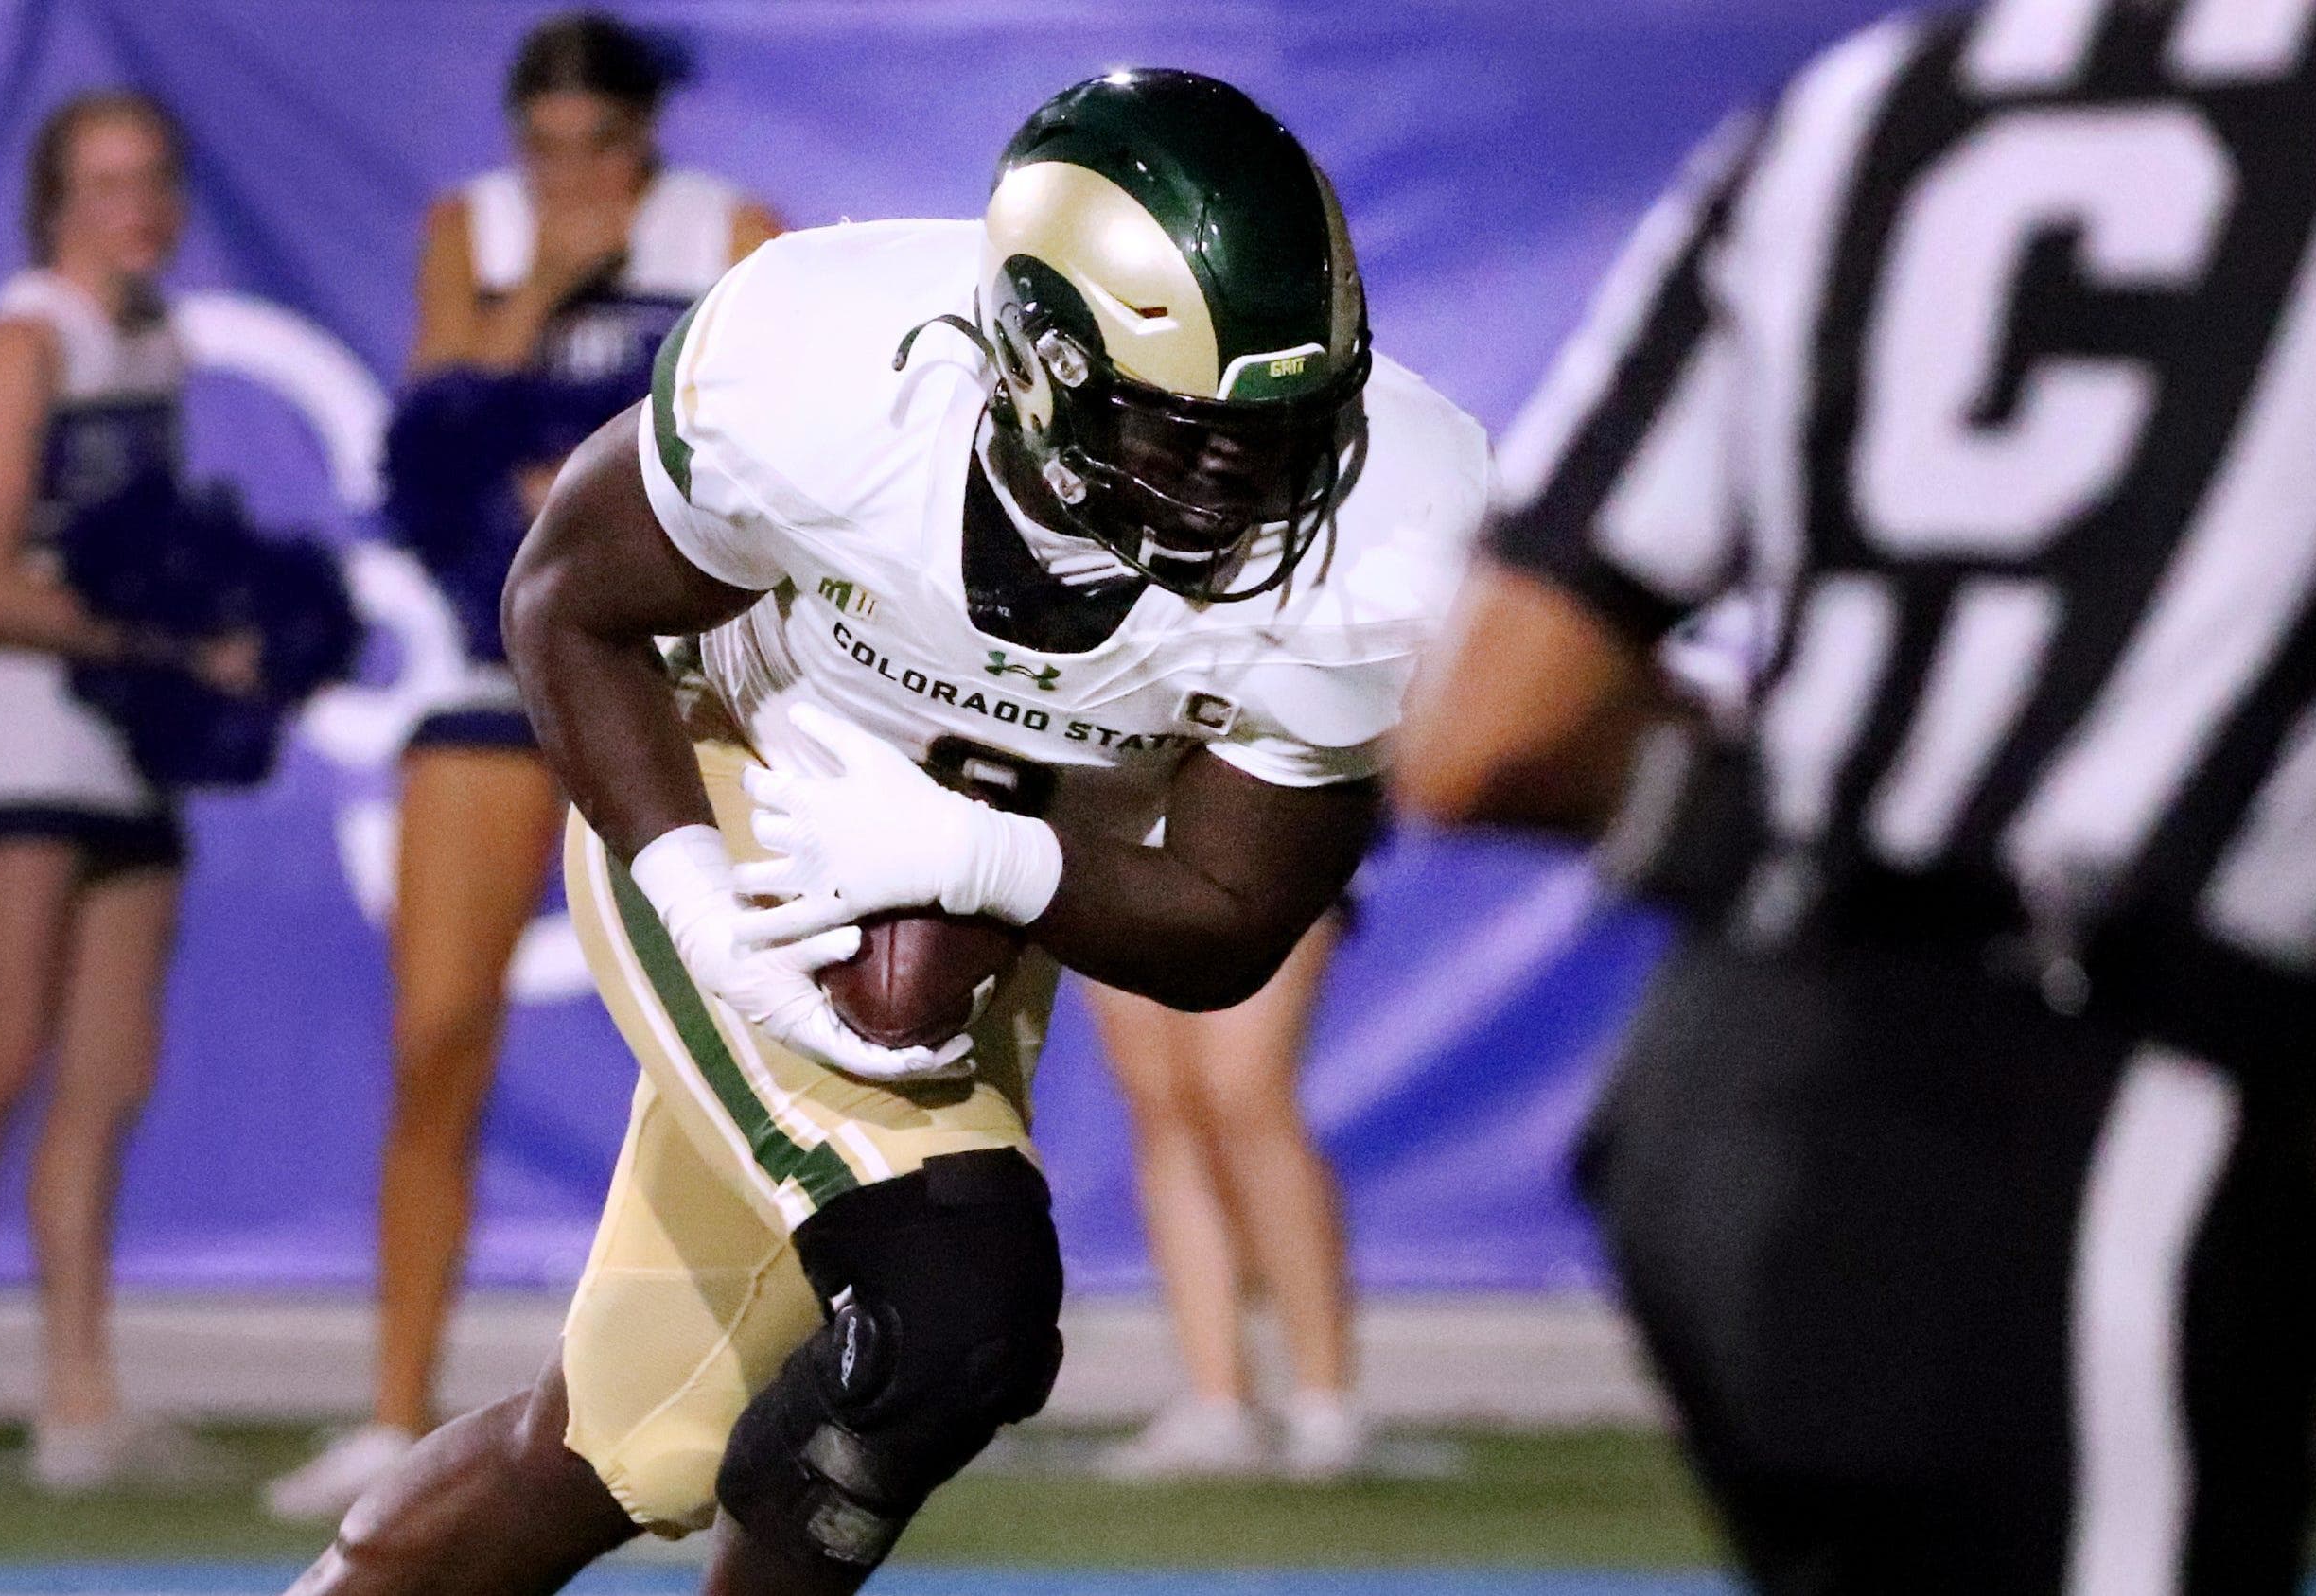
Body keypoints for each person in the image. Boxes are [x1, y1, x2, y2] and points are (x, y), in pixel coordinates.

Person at [1394, 0, 2316, 1588]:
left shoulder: (1856, 108)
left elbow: (1489, 726)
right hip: (2100, 1080)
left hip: (1720, 1083)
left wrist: (1831, 836)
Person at [283, 68, 1485, 1596]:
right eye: (1187, 435)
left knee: (615, 1445)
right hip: (757, 788)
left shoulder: (1396, 519)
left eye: (1295, 428)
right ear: (1039, 365)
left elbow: (1233, 913)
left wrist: (985, 860)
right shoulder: (830, 366)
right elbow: (564, 604)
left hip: (1011, 864)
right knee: (952, 1296)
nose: (1255, 489)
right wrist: (702, 896)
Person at [264, 12, 781, 1524]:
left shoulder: (729, 232)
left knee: (747, 1041)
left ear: (647, 139)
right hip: (490, 670)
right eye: (542, 147)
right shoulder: (469, 233)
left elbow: (756, 445)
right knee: (436, 1035)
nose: (570, 174)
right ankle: (389, 1404)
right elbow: (432, 428)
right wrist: (554, 278)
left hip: (676, 678)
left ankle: (785, 1398)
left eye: (600, 148)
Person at [0, 90, 257, 1493]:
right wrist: (158, 642)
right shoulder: (22, 337)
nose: (137, 207)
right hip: (20, 733)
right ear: (55, 202)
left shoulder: (153, 340)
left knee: (112, 1068)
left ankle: (75, 1397)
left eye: (155, 177)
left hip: (126, 738)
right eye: (105, 183)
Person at [1083, 918, 1367, 1482]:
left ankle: (1324, 1400)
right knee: (1161, 1101)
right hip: (1119, 836)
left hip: (1258, 835)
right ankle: (1219, 1401)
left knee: (1244, 1089)